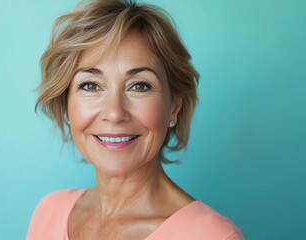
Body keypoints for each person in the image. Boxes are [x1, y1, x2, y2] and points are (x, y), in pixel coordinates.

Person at [27, 0, 243, 239]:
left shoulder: (212, 236)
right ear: (66, 105)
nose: (114, 113)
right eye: (90, 85)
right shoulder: (48, 212)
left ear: (173, 107)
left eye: (139, 86)